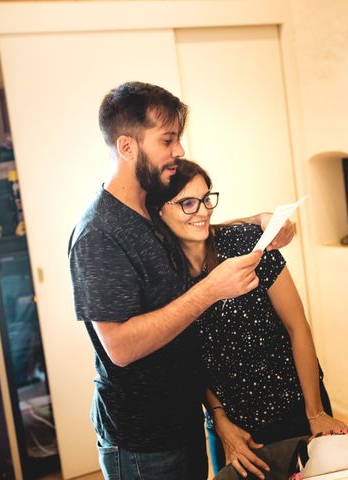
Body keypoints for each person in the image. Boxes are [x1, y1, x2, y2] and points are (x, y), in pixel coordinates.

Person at [68, 81, 293, 480]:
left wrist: (255, 221)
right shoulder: (99, 234)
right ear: (127, 147)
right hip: (142, 442)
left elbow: (185, 225)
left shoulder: (146, 210)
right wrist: (210, 290)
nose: (179, 151)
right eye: (167, 140)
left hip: (183, 419)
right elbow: (118, 346)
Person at [149, 159, 348, 479]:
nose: (202, 211)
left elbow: (297, 326)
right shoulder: (163, 277)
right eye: (188, 203)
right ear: (159, 210)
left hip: (296, 405)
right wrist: (220, 420)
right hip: (233, 425)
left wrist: (315, 412)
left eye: (206, 198)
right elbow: (193, 358)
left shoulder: (244, 242)